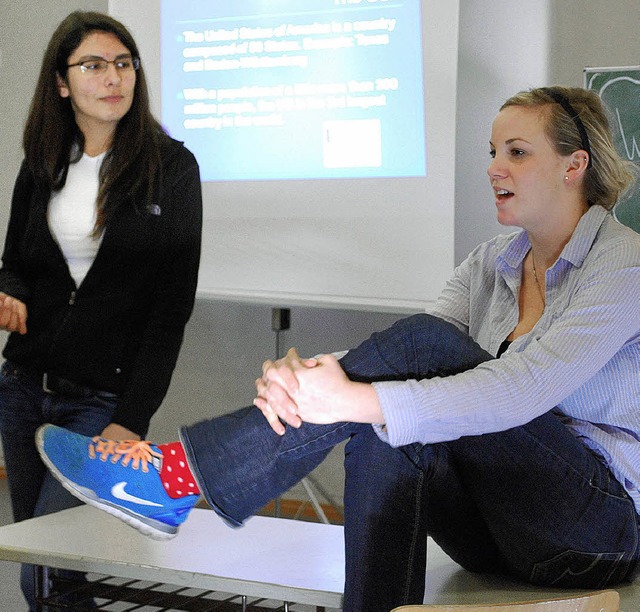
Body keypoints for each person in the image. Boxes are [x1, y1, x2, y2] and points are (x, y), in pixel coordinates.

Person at [37, 85, 640, 612]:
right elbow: (406, 352)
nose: (493, 167)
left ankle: (178, 476)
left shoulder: (624, 264)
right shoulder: (492, 263)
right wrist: (311, 378)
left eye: (517, 152)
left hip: (591, 529)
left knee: (383, 400)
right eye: (492, 152)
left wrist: (347, 395)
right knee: (385, 426)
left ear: (573, 165)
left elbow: (519, 390)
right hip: (495, 528)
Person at [0, 10, 202, 610]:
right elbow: (13, 259)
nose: (113, 77)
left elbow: (171, 312)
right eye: (93, 65)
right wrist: (6, 291)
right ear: (62, 83)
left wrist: (131, 420)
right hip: (22, 390)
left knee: (49, 572)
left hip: (99, 404)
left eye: (123, 63)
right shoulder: (43, 161)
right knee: (49, 574)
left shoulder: (171, 169)